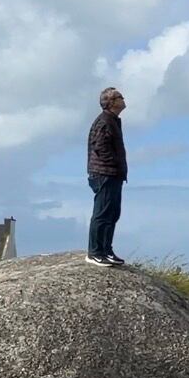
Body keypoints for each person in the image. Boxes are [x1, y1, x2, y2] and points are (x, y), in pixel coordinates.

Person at [86, 86, 128, 267]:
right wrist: (113, 163)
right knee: (102, 213)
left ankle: (106, 250)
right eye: (119, 97)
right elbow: (100, 146)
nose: (123, 99)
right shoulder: (104, 121)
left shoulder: (113, 120)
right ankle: (95, 252)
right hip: (104, 174)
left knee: (112, 213)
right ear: (111, 102)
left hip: (113, 174)